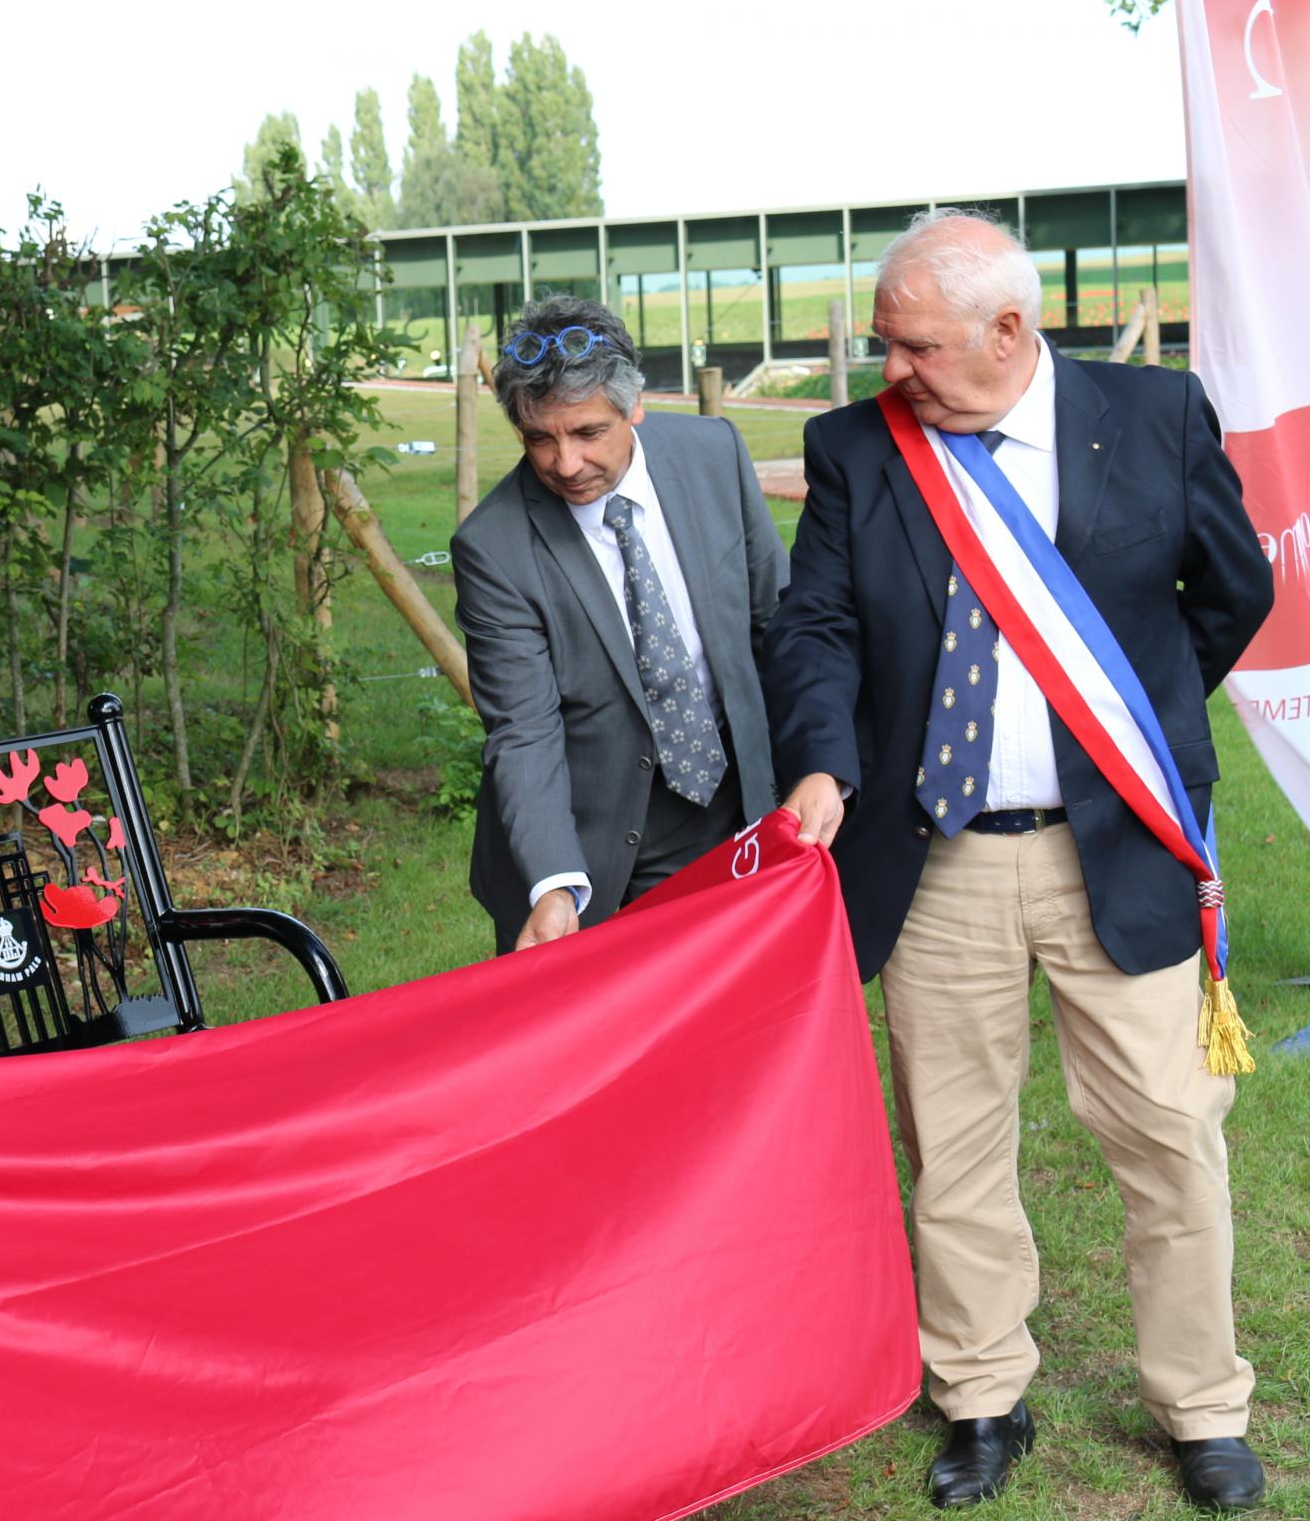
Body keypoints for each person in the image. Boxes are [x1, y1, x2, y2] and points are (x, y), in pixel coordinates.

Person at [764, 210, 1273, 1511]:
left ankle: (1202, 1406)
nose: (896, 371)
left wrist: (1134, 734)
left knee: (1169, 1136)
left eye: (918, 346)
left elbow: (1228, 596)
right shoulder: (857, 448)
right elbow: (815, 625)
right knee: (957, 1148)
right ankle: (983, 1391)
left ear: (1008, 331)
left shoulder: (1154, 416)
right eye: (883, 345)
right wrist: (824, 759)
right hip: (936, 863)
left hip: (1121, 853)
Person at [450, 295, 786, 954]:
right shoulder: (493, 548)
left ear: (635, 405)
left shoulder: (713, 453)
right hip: (591, 840)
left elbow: (777, 622)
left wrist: (809, 774)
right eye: (540, 438)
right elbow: (524, 731)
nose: (565, 464)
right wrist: (551, 883)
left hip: (737, 805)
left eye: (587, 433)